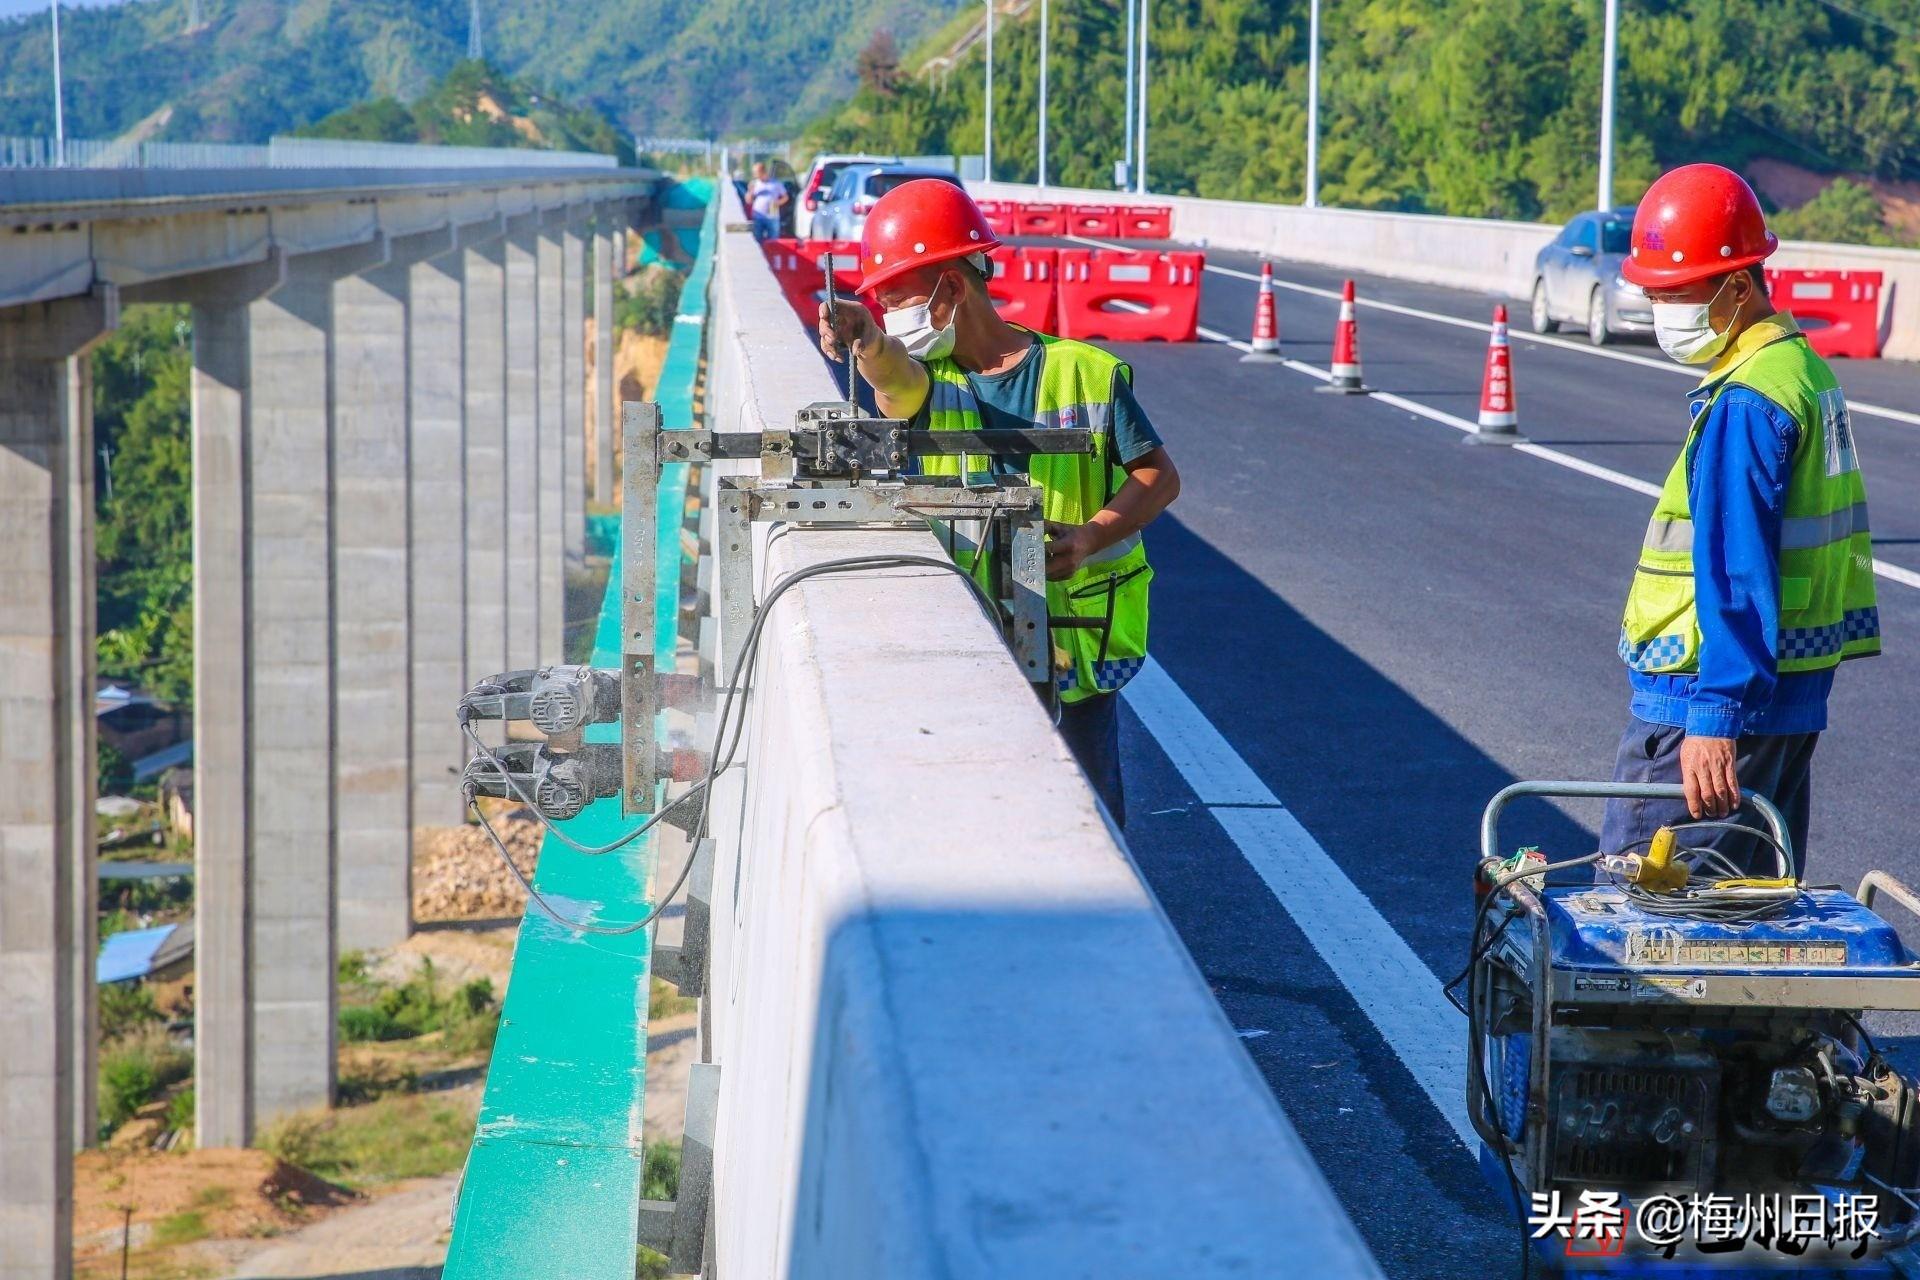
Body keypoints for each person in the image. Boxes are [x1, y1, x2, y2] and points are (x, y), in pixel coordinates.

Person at [816, 179, 1181, 827]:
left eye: (898, 301)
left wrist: (1092, 537)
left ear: (953, 288)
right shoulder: (932, 380)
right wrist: (869, 339)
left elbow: (1157, 475)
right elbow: (894, 378)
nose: (893, 317)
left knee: (1091, 827)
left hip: (1077, 654)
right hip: (969, 650)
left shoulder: (1084, 375)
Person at [1601, 164, 1879, 875]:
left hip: (1706, 703)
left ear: (1738, 284)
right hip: (1789, 700)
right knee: (1750, 915)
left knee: (1649, 919)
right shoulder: (1805, 372)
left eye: (1676, 291)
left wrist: (1715, 717)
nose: (1661, 309)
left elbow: (1734, 568)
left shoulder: (1747, 401)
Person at [746, 162, 788, 242]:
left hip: (772, 214)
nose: (754, 175)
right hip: (758, 216)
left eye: (756, 173)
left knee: (773, 239)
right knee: (757, 239)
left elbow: (785, 197)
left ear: (763, 171)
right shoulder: (754, 184)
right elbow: (749, 201)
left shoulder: (776, 183)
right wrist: (750, 191)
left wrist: (777, 203)